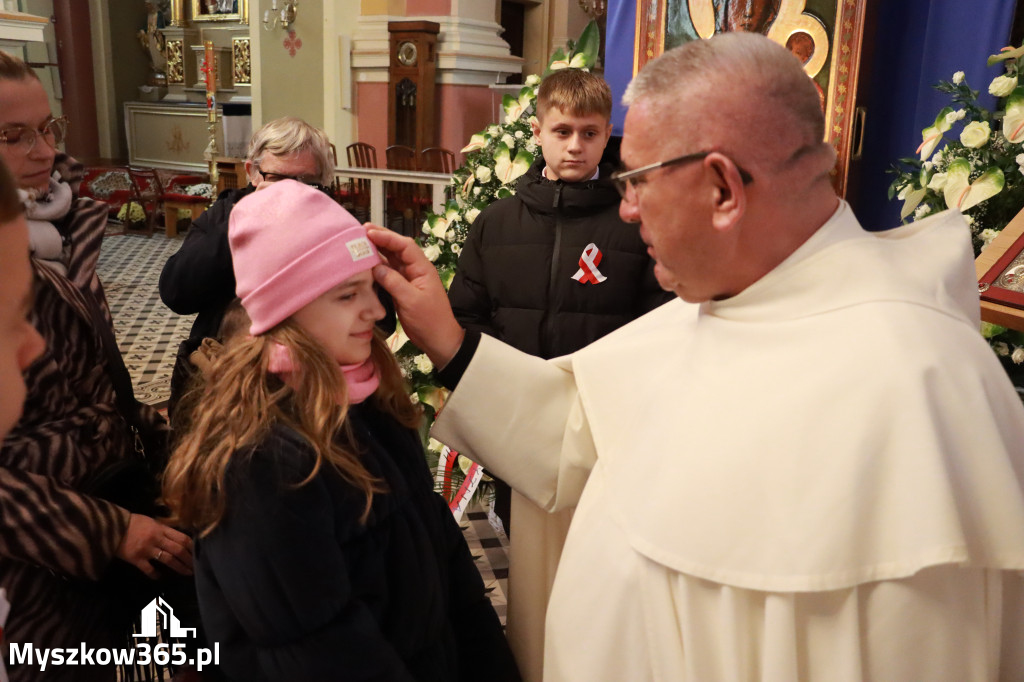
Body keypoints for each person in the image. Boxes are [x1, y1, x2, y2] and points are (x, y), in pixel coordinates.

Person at [369, 32, 1024, 681]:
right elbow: (574, 432)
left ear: (721, 189)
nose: (624, 209)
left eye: (637, 181)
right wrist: (447, 338)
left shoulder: (913, 389)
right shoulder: (718, 305)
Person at [162, 181, 519, 682]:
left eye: (371, 289)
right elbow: (321, 652)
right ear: (288, 311)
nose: (375, 312)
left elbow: (447, 564)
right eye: (348, 295)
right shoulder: (260, 460)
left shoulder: (370, 402)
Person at [446, 66, 671, 680]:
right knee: (533, 566)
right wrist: (508, 389)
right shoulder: (497, 223)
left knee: (604, 571)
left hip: (605, 430)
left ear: (607, 139)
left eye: (590, 133)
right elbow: (465, 314)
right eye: (563, 131)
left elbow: (660, 322)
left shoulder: (634, 222)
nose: (576, 145)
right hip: (523, 427)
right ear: (538, 133)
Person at [0, 53, 193, 681]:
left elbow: (89, 387)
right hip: (32, 565)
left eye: (49, 128)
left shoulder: (52, 231)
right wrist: (106, 531)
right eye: (14, 135)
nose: (44, 151)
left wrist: (167, 428)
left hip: (100, 503)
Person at [158, 116, 336, 420]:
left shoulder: (331, 220)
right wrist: (244, 225)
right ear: (252, 173)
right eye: (280, 179)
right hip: (224, 383)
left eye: (306, 182)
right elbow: (176, 293)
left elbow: (379, 313)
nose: (292, 193)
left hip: (303, 387)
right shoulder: (226, 214)